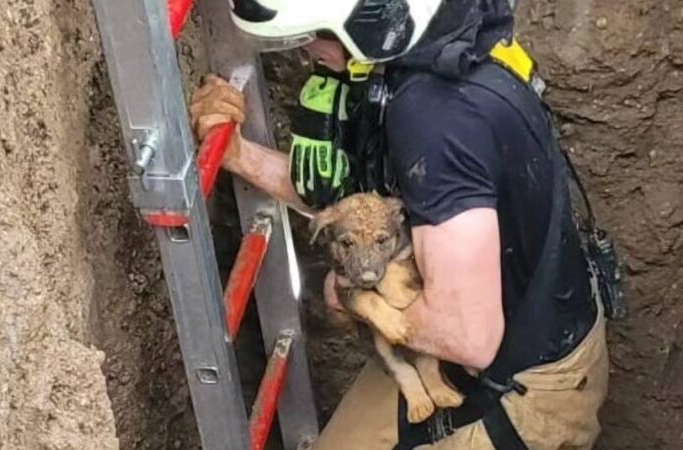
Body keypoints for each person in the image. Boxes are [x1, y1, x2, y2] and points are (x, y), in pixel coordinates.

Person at [190, 0, 611, 448]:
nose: (306, 52)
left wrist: (350, 294)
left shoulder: (436, 121)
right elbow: (364, 204)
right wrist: (238, 155)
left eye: (313, 34)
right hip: (507, 334)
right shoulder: (447, 44)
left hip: (518, 386)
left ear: (371, 22)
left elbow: (468, 338)